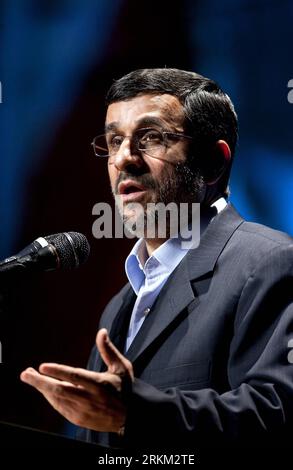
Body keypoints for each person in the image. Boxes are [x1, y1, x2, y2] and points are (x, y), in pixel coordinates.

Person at [20, 68, 293, 453]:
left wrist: (136, 413)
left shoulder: (269, 262)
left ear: (213, 163)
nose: (124, 159)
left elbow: (276, 413)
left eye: (150, 137)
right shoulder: (119, 306)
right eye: (114, 140)